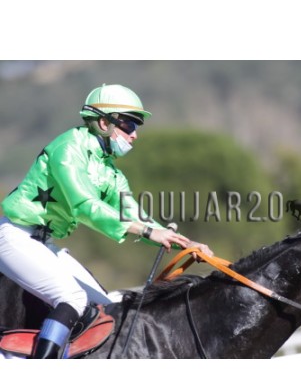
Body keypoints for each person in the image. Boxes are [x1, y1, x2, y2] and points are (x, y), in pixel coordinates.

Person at [0, 83, 213, 359]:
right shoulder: (68, 148)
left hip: (43, 243)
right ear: (104, 123)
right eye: (129, 125)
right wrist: (147, 232)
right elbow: (84, 205)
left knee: (106, 311)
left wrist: (184, 244)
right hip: (14, 237)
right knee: (73, 298)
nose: (134, 135)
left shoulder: (110, 171)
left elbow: (132, 214)